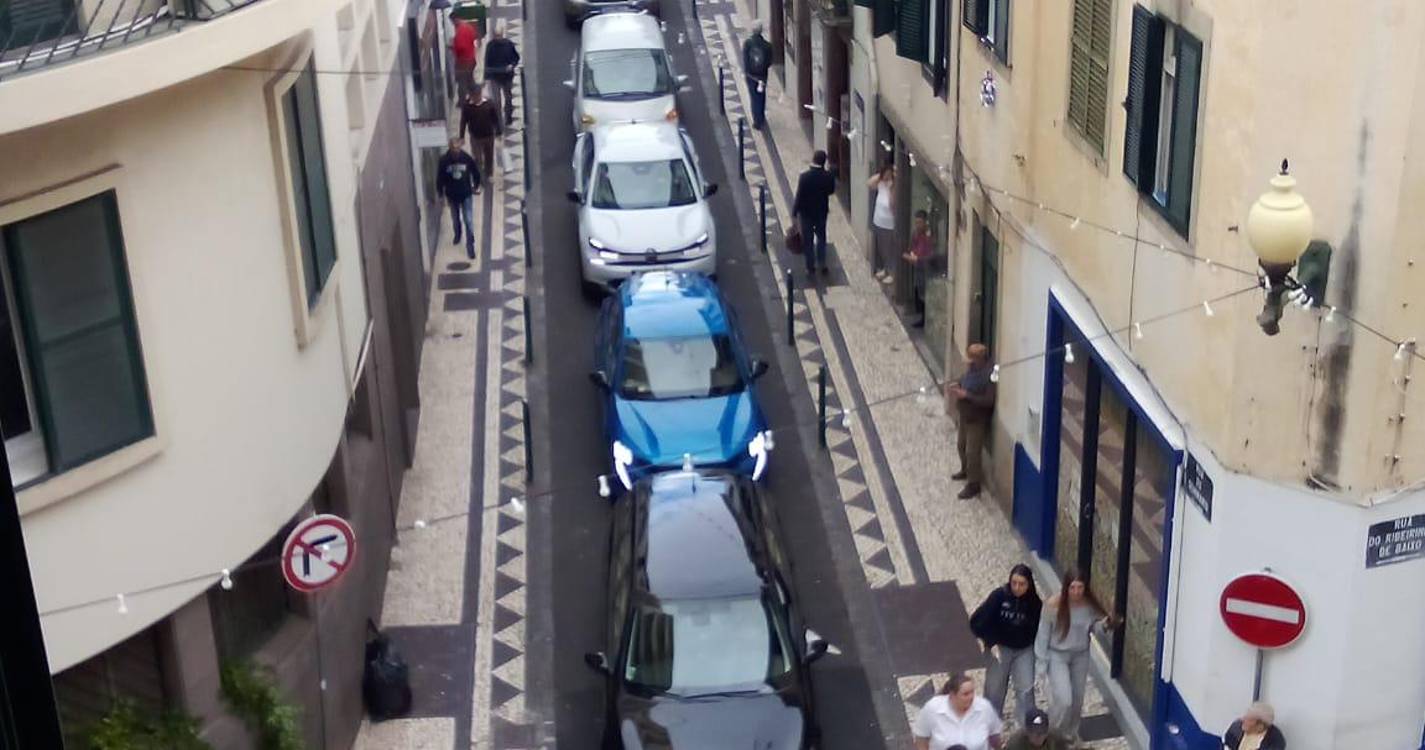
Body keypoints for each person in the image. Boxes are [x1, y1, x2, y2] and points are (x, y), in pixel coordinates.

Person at [1034, 569, 1121, 744]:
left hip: (1080, 654)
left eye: (1079, 587)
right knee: (1064, 699)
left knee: (1077, 699)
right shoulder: (1053, 605)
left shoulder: (1089, 605)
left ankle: (1069, 734)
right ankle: (1052, 732)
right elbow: (1043, 635)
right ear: (1066, 587)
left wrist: (1107, 624)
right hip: (1057, 654)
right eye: (1072, 587)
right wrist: (1041, 666)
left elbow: (1094, 628)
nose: (1076, 592)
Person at [970, 564, 1043, 724]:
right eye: (1014, 583)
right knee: (994, 690)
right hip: (1000, 648)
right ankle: (990, 728)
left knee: (1026, 689)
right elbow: (977, 621)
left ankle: (1027, 729)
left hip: (1024, 650)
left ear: (1029, 585)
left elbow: (1039, 628)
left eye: (1022, 584)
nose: (1017, 588)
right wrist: (990, 642)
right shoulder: (999, 597)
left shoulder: (1034, 603)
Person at [947, 343, 996, 499]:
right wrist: (959, 384)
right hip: (965, 415)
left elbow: (989, 401)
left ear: (979, 360)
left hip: (977, 418)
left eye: (972, 360)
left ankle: (974, 484)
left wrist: (966, 395)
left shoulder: (990, 376)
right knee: (961, 445)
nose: (969, 363)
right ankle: (965, 470)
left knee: (972, 452)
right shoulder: (972, 370)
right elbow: (965, 379)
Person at [912, 673, 1005, 750]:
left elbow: (994, 737)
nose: (971, 697)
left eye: (972, 692)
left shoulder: (984, 707)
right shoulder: (932, 708)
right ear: (952, 695)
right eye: (966, 694)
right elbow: (921, 739)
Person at [791, 150, 837, 278]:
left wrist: (794, 212)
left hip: (806, 213)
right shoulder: (828, 176)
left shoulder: (805, 177)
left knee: (808, 240)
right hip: (821, 212)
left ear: (813, 159)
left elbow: (799, 196)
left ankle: (810, 267)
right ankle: (822, 264)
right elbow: (831, 191)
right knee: (821, 238)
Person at [436, 137, 481, 259]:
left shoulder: (466, 158)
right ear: (450, 148)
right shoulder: (444, 161)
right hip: (452, 195)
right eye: (454, 148)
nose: (456, 151)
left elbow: (475, 172)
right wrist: (440, 193)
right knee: (455, 219)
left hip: (466, 194)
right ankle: (458, 233)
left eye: (458, 148)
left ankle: (470, 245)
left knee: (469, 220)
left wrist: (476, 185)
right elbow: (440, 178)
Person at [460, 85, 503, 177]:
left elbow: (495, 118)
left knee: (489, 156)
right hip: (475, 137)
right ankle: (479, 176)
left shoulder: (489, 103)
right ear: (470, 95)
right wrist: (461, 136)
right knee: (477, 158)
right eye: (474, 96)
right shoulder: (467, 106)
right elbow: (463, 121)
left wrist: (498, 132)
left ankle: (489, 173)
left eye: (478, 95)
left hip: (489, 135)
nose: (476, 98)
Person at [483, 24, 520, 126]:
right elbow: (487, 62)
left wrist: (511, 65)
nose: (498, 38)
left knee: (508, 98)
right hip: (495, 76)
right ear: (494, 35)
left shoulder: (509, 44)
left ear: (502, 34)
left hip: (507, 76)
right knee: (496, 101)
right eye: (496, 35)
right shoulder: (490, 46)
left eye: (499, 35)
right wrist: (486, 77)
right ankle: (498, 122)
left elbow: (516, 58)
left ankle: (508, 116)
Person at [902, 209, 934, 326]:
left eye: (920, 222)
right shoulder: (916, 234)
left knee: (924, 295)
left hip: (926, 271)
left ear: (925, 222)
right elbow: (913, 246)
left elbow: (930, 255)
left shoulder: (928, 237)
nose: (918, 225)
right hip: (917, 268)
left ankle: (925, 320)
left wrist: (917, 259)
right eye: (916, 222)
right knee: (918, 293)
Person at [867, 161, 896, 283]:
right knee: (882, 248)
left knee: (890, 249)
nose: (887, 176)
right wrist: (880, 177)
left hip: (889, 224)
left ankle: (892, 272)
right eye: (886, 173)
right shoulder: (880, 183)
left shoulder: (893, 186)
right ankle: (886, 269)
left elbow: (892, 205)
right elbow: (869, 184)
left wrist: (891, 188)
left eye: (889, 174)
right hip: (878, 220)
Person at [742, 22, 774, 128]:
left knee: (754, 97)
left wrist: (746, 71)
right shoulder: (767, 46)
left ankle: (757, 120)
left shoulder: (747, 43)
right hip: (762, 76)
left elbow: (745, 60)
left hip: (751, 75)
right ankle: (761, 116)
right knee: (761, 96)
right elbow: (770, 62)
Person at [1222, 702, 1287, 750]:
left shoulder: (1275, 740)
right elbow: (1226, 745)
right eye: (1245, 716)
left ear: (1260, 726)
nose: (1242, 720)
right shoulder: (1236, 728)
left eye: (1248, 719)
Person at [1003, 710, 1073, 750]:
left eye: (1042, 732)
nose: (1038, 737)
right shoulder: (1015, 744)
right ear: (1026, 731)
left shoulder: (1056, 738)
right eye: (1033, 733)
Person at [451, 17, 479, 99]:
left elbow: (460, 47)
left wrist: (453, 47)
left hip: (463, 61)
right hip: (471, 59)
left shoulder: (460, 30)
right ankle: (475, 94)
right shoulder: (468, 27)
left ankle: (462, 101)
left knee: (462, 82)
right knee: (470, 79)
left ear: (455, 20)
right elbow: (474, 37)